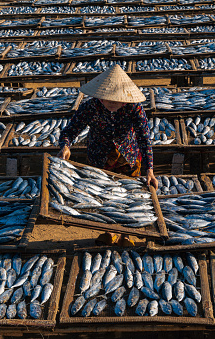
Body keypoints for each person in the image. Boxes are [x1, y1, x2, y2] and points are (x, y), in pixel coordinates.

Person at [57, 65, 158, 247]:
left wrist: (149, 169)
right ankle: (109, 231)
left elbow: (144, 139)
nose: (111, 103)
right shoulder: (90, 107)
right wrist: (65, 146)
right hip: (99, 157)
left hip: (128, 157)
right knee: (104, 196)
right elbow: (69, 131)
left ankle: (127, 233)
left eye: (116, 100)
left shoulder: (134, 109)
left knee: (129, 196)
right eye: (107, 99)